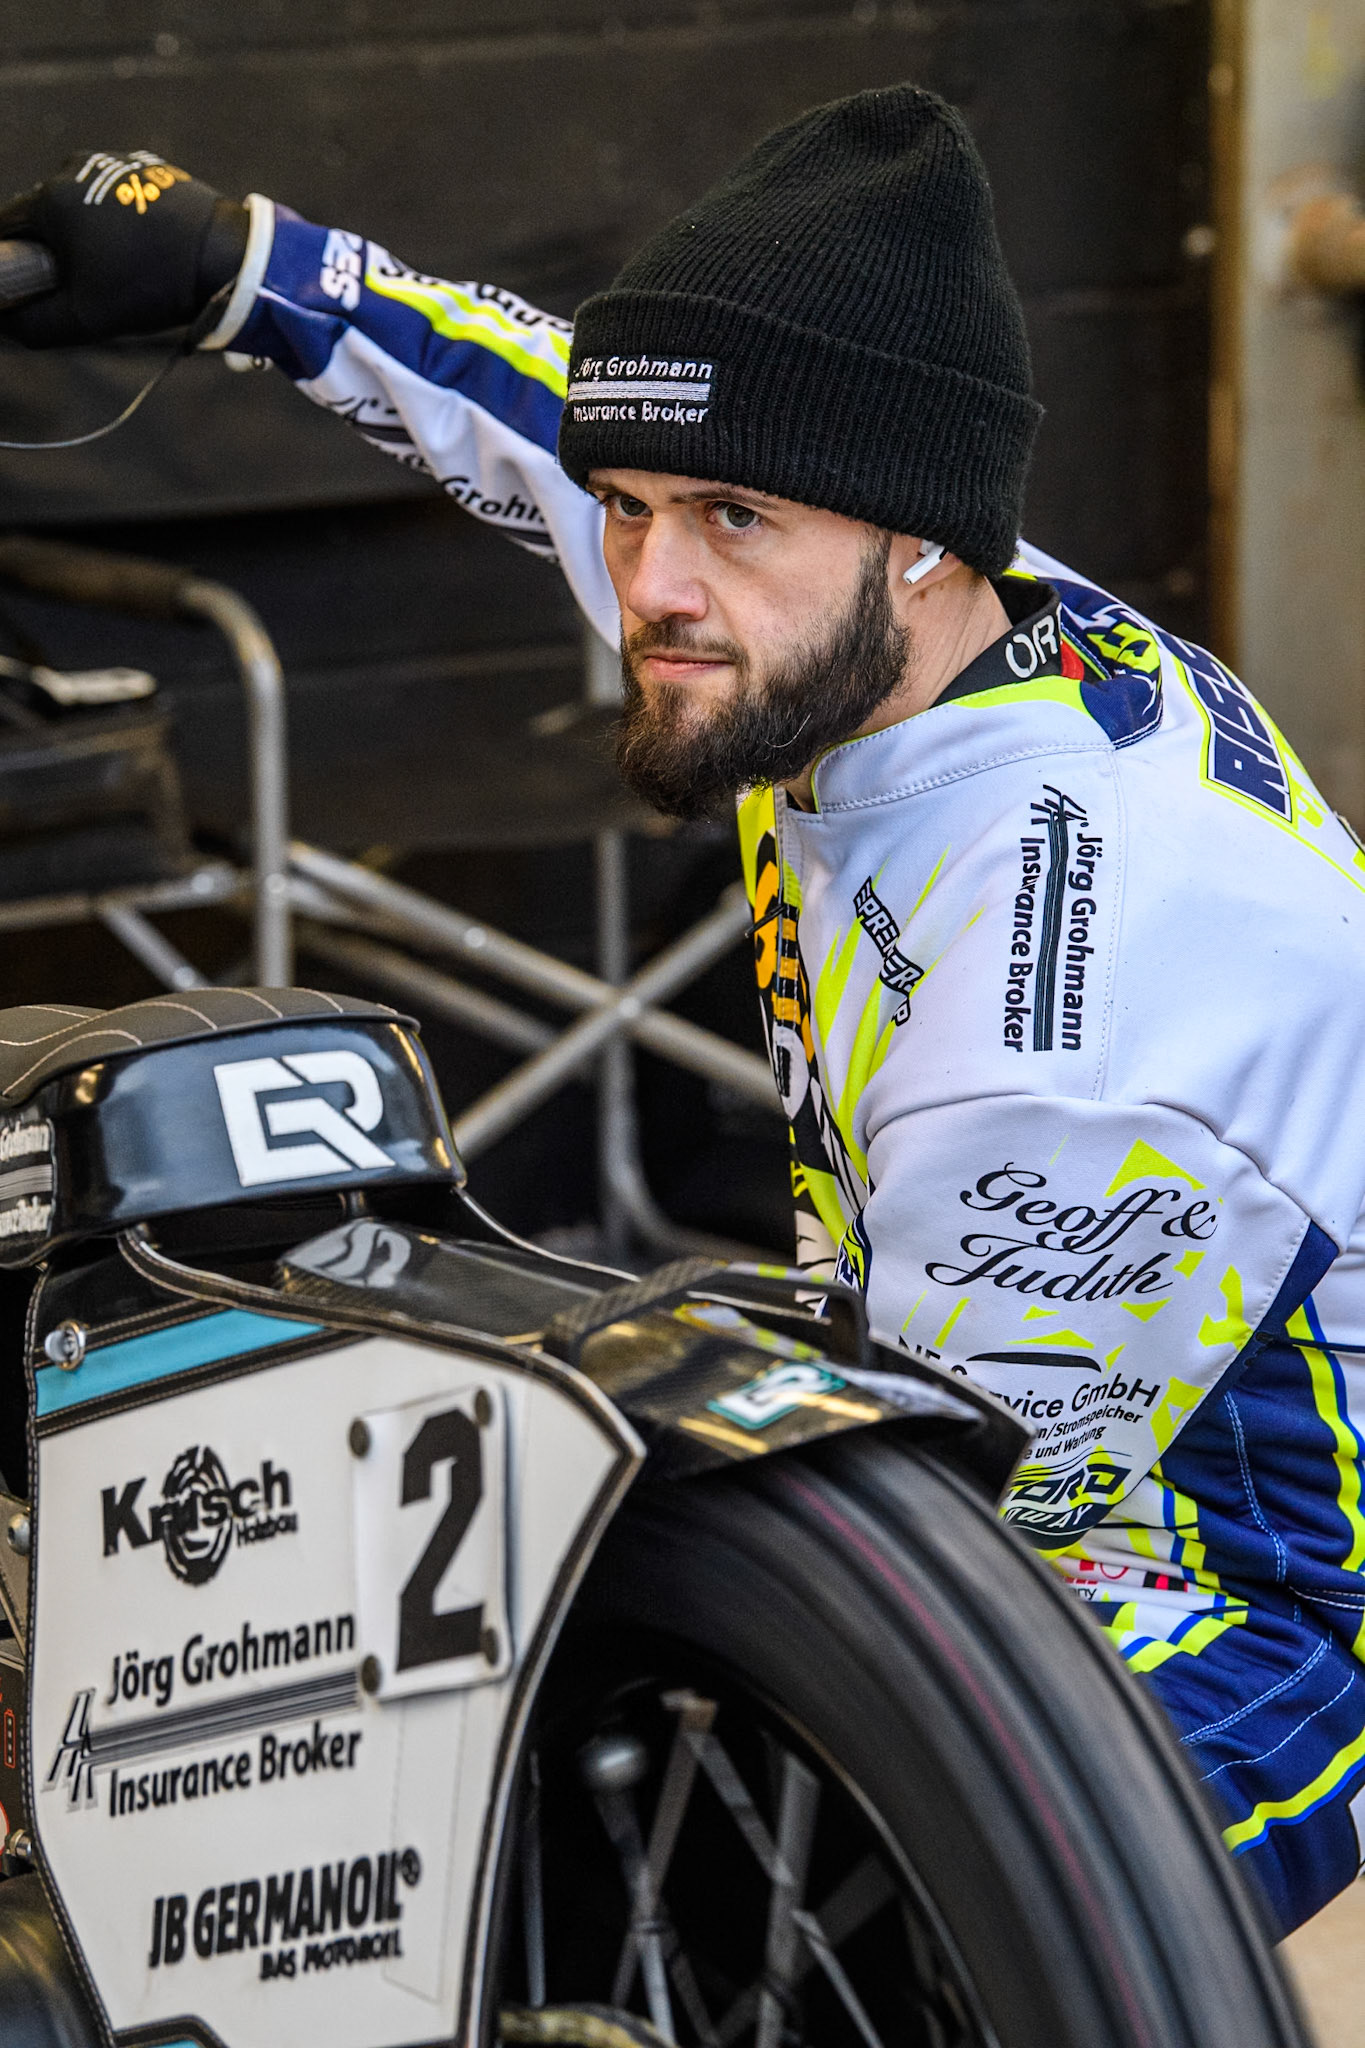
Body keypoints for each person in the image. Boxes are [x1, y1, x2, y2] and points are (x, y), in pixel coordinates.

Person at [4, 101, 1365, 1938]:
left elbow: (921, 1535)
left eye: (724, 519)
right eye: (630, 510)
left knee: (684, 1897)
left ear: (921, 546)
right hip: (997, 1362)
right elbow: (536, 400)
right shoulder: (863, 601)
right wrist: (249, 268)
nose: (646, 586)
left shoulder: (1059, 1023)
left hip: (1247, 1596)